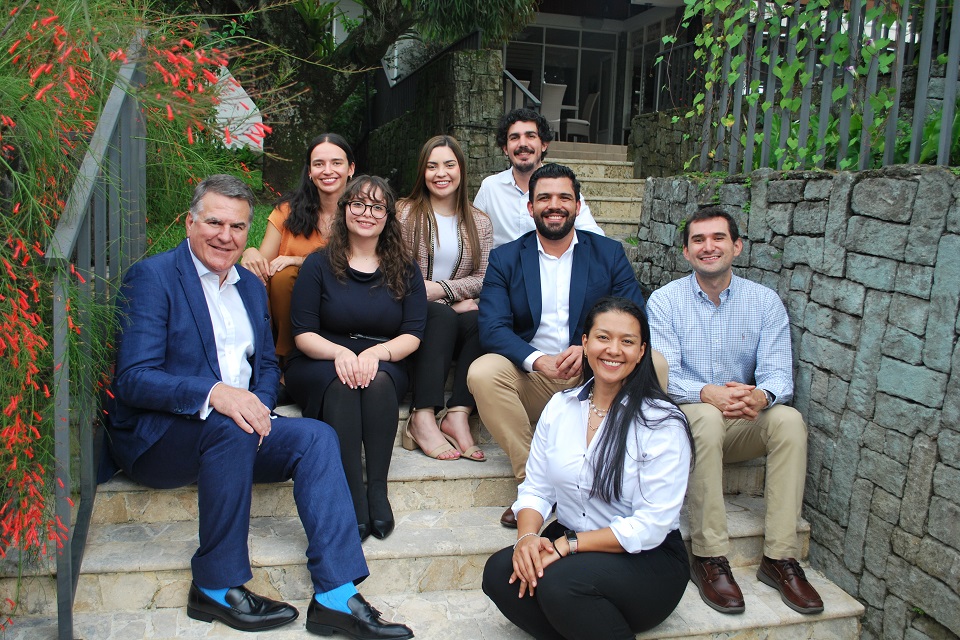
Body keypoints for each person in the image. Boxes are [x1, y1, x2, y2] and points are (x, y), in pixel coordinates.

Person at [105, 174, 413, 638]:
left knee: (316, 436)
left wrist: (260, 404)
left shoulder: (250, 286)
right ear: (189, 223)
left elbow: (267, 364)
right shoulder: (153, 278)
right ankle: (214, 586)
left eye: (237, 227)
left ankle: (334, 597)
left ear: (249, 232)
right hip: (162, 438)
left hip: (239, 430)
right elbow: (132, 379)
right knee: (231, 423)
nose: (224, 236)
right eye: (213, 222)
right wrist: (216, 395)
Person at [467, 163, 668, 528]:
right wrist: (537, 360)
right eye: (544, 197)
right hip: (535, 378)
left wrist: (588, 347)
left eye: (564, 197)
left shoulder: (608, 253)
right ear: (530, 208)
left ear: (578, 204)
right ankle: (533, 486)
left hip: (594, 374)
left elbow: (633, 315)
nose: (554, 205)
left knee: (656, 361)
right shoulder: (506, 258)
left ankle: (624, 474)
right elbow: (493, 327)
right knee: (482, 371)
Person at [646, 206, 824, 615]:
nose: (709, 247)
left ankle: (780, 558)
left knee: (789, 421)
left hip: (743, 420)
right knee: (707, 416)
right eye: (698, 241)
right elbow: (664, 378)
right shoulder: (665, 302)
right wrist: (708, 393)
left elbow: (780, 375)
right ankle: (709, 556)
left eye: (718, 238)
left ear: (737, 246)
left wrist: (762, 397)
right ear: (687, 253)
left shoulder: (764, 302)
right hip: (688, 419)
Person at [482, 297, 692, 640]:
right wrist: (527, 539)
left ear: (641, 352)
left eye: (627, 341)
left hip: (647, 559)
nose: (614, 350)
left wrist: (568, 546)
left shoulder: (662, 422)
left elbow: (652, 524)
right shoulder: (560, 407)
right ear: (584, 344)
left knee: (561, 583)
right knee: (501, 573)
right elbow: (536, 489)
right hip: (572, 541)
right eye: (603, 337)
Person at [285, 175, 427, 542]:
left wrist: (378, 353)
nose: (367, 213)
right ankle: (351, 491)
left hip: (385, 356)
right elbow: (302, 333)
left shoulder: (405, 267)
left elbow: (413, 333)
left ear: (388, 217)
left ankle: (376, 490)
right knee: (344, 385)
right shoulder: (318, 264)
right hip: (320, 358)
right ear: (345, 209)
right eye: (359, 204)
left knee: (378, 382)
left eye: (377, 206)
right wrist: (341, 353)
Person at [397, 135, 492, 462]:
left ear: (461, 170)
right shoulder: (404, 212)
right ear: (422, 171)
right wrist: (444, 300)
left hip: (449, 314)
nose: (441, 173)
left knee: (484, 319)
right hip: (404, 312)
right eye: (432, 165)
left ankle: (458, 414)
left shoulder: (480, 221)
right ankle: (422, 416)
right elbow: (391, 268)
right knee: (442, 315)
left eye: (449, 165)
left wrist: (442, 291)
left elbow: (482, 278)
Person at [241, 133, 355, 363]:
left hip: (345, 295)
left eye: (336, 163)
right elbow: (264, 263)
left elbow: (361, 261)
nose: (328, 170)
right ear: (310, 172)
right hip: (291, 306)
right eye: (319, 164)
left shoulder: (362, 212)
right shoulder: (287, 211)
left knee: (289, 269)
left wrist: (299, 260)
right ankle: (282, 359)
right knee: (279, 275)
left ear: (350, 168)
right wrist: (248, 252)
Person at [473, 108, 603, 248]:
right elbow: (473, 237)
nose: (522, 144)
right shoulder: (490, 188)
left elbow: (593, 236)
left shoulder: (562, 187)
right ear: (505, 148)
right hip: (502, 268)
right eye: (514, 137)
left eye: (530, 136)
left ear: (544, 145)